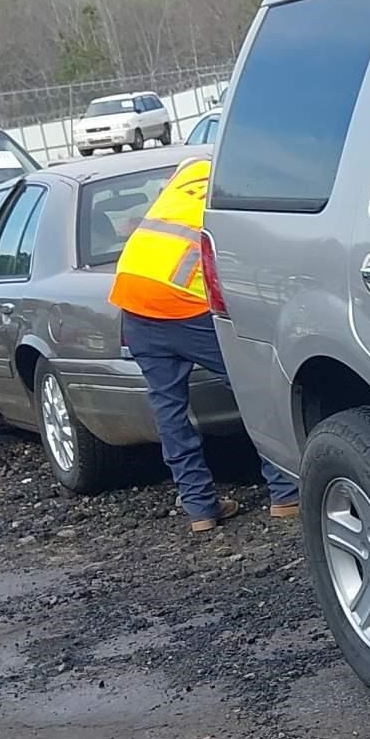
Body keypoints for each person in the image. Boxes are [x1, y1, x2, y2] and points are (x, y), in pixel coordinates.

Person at [107, 155, 298, 533]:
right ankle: (285, 492)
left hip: (133, 291)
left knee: (169, 409)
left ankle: (200, 509)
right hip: (184, 300)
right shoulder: (245, 178)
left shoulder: (191, 168)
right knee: (254, 389)